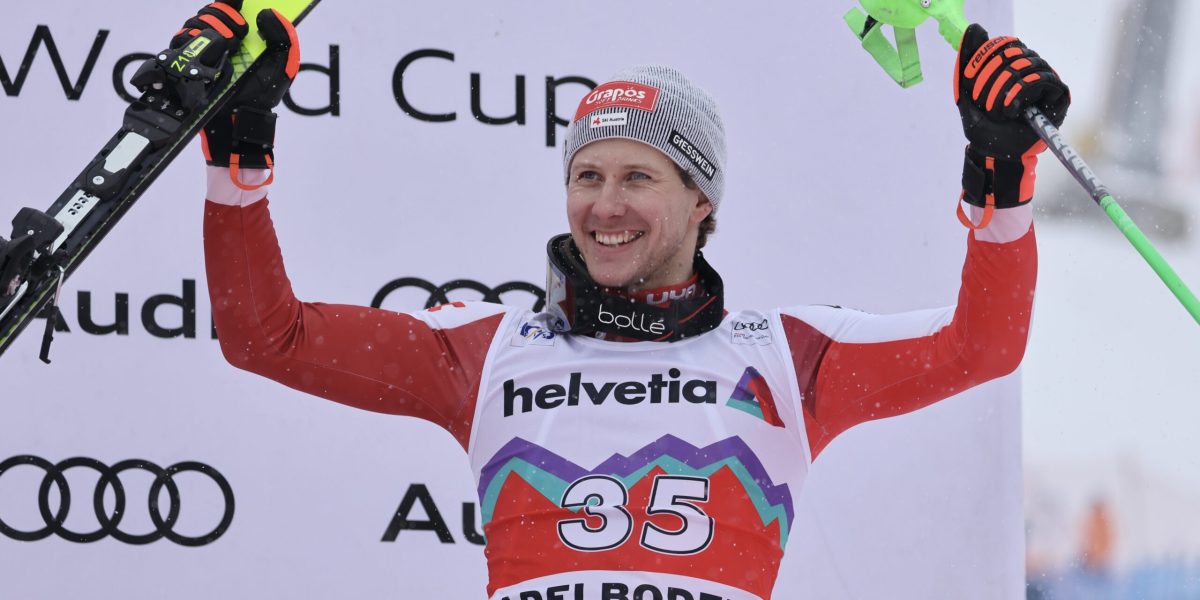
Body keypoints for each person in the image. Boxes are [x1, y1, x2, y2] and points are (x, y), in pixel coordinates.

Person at [184, 2, 1069, 598]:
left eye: (638, 176)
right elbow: (267, 337)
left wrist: (999, 179)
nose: (604, 206)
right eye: (586, 175)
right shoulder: (486, 350)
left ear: (702, 200)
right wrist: (239, 163)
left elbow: (979, 347)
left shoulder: (786, 354)